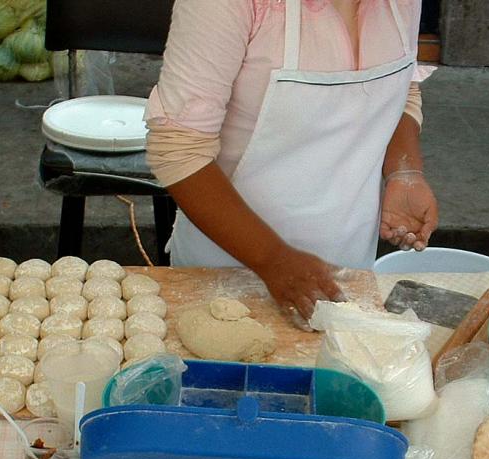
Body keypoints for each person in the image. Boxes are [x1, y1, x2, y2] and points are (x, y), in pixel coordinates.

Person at [146, 0, 439, 321]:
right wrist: (274, 260)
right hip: (223, 276)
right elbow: (179, 149)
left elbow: (402, 87)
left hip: (349, 271)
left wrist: (405, 170)